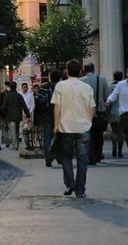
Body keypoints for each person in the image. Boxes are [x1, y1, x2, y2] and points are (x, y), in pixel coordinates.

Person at [51, 59, 95, 199]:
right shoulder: (86, 87)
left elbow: (57, 106)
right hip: (83, 127)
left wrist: (56, 125)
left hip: (66, 127)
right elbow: (91, 107)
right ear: (80, 71)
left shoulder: (60, 86)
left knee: (66, 156)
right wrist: (89, 120)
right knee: (83, 159)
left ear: (67, 71)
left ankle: (70, 183)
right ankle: (80, 189)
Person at [79, 63, 110, 165]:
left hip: (86, 112)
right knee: (99, 135)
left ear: (84, 70)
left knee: (88, 135)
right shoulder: (102, 79)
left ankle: (90, 156)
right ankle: (98, 155)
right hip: (100, 112)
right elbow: (107, 96)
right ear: (94, 69)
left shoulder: (81, 81)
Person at [39, 70, 61, 167]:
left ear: (50, 77)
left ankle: (48, 156)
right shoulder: (62, 87)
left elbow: (39, 102)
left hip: (47, 115)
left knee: (47, 137)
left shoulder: (44, 87)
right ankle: (59, 156)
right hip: (61, 114)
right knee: (61, 137)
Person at [0, 81, 30, 150]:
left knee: (12, 130)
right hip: (18, 116)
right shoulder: (19, 96)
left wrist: (1, 113)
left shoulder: (7, 96)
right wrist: (28, 115)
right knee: (17, 130)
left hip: (9, 116)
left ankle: (14, 145)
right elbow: (24, 106)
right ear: (16, 87)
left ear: (10, 87)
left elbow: (4, 106)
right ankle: (17, 145)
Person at [107, 71, 125, 158]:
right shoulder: (124, 87)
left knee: (114, 131)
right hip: (122, 111)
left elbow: (108, 100)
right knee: (121, 132)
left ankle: (114, 147)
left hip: (113, 111)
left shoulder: (110, 87)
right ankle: (120, 150)